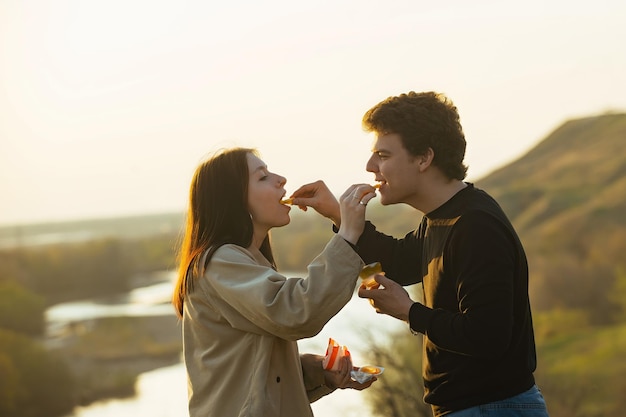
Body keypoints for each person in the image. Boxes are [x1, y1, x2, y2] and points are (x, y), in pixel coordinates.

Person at [289, 91, 550, 416]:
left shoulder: (476, 226)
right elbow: (399, 262)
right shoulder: (444, 218)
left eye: (383, 155)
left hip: (491, 408)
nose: (371, 166)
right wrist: (338, 214)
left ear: (424, 158)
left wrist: (409, 311)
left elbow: (488, 336)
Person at [171, 147, 376, 417]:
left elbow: (254, 377)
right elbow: (298, 311)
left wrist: (320, 372)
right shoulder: (221, 262)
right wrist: (347, 232)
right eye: (262, 177)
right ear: (233, 199)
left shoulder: (247, 261)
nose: (281, 179)